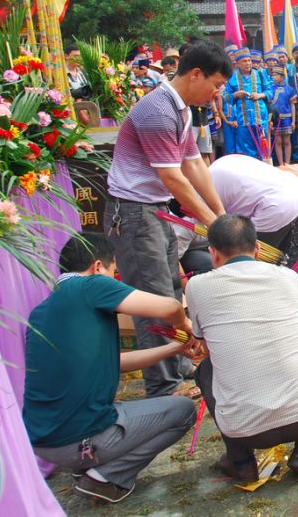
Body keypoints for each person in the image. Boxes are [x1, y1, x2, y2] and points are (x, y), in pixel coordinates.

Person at [26, 234, 198, 503]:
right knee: (184, 410)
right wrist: (187, 328)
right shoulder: (89, 286)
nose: (113, 279)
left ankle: (85, 467)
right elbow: (171, 306)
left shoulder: (43, 310)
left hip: (45, 443)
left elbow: (115, 363)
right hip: (82, 439)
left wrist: (174, 349)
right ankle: (107, 478)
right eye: (113, 272)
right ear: (97, 267)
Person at [105, 40, 228, 398]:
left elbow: (194, 166)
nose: (217, 92)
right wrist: (212, 225)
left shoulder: (183, 109)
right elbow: (173, 177)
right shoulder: (157, 110)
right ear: (194, 74)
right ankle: (163, 386)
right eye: (216, 84)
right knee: (153, 303)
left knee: (172, 292)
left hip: (154, 210)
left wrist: (220, 215)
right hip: (133, 211)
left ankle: (178, 363)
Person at [188, 215, 298, 481]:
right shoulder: (288, 277)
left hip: (245, 429)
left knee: (206, 371)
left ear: (212, 254)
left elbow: (200, 339)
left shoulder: (197, 286)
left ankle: (242, 461)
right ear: (257, 248)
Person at [224, 48, 271, 159]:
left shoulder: (259, 74)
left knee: (263, 148)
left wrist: (260, 95)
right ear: (238, 63)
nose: (248, 63)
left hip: (260, 118)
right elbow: (225, 96)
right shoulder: (233, 77)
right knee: (245, 151)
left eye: (249, 60)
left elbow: (269, 91)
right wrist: (236, 95)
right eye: (244, 61)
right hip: (243, 120)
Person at [269, 68, 297, 165]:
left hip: (287, 118)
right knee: (278, 141)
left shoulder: (290, 89)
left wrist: (293, 121)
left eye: (276, 75)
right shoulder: (270, 89)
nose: (274, 77)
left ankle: (288, 162)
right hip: (276, 119)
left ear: (282, 77)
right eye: (273, 75)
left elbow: (292, 105)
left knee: (287, 141)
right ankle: (281, 163)